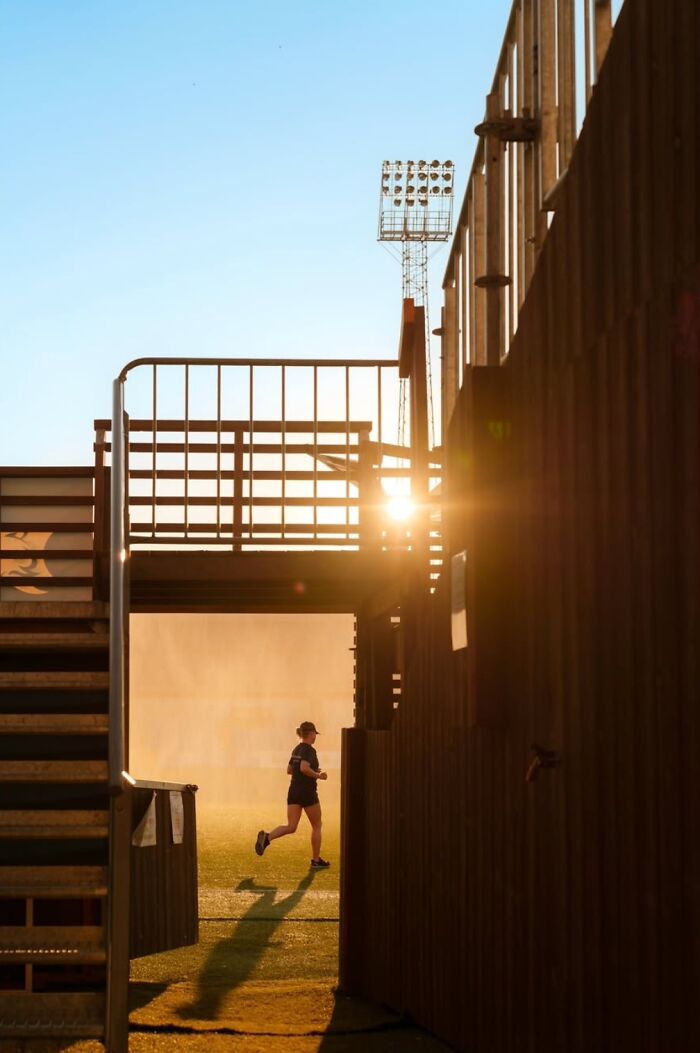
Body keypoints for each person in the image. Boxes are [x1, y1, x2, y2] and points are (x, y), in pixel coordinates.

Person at [255, 721, 330, 869]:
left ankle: (267, 838)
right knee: (317, 825)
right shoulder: (309, 750)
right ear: (311, 733)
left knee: (291, 826)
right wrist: (318, 775)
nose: (316, 736)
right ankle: (316, 860)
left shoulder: (296, 749)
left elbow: (290, 769)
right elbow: (303, 768)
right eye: (315, 733)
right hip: (307, 792)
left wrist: (312, 769)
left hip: (294, 791)